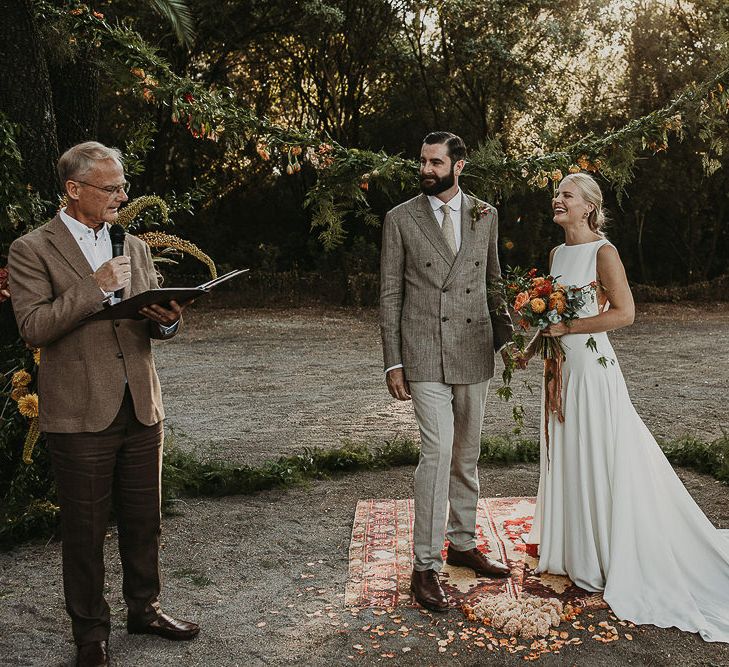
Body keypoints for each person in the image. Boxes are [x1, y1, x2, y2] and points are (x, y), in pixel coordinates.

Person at [8, 142, 199, 667]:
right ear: (74, 190)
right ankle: (90, 634)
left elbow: (153, 316)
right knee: (85, 531)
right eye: (110, 188)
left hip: (141, 404)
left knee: (144, 520)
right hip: (79, 411)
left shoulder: (132, 246)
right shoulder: (31, 249)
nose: (122, 196)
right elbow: (34, 326)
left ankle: (146, 608)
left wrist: (169, 319)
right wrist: (94, 287)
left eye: (122, 186)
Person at [523, 172, 729, 642]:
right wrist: (531, 349)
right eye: (557, 195)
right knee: (568, 453)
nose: (558, 200)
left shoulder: (604, 252)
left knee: (599, 453)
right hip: (560, 369)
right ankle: (570, 547)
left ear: (588, 208)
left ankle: (603, 550)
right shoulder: (557, 254)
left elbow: (625, 313)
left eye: (566, 196)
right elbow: (553, 316)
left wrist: (569, 331)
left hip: (593, 372)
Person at [379, 131, 514, 612]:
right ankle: (424, 567)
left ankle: (461, 543)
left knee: (466, 454)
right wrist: (393, 360)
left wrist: (509, 341)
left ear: (459, 165)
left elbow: (493, 281)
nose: (426, 170)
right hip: (422, 352)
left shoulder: (485, 214)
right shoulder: (400, 219)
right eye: (422, 161)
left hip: (474, 348)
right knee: (436, 452)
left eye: (436, 163)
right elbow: (390, 294)